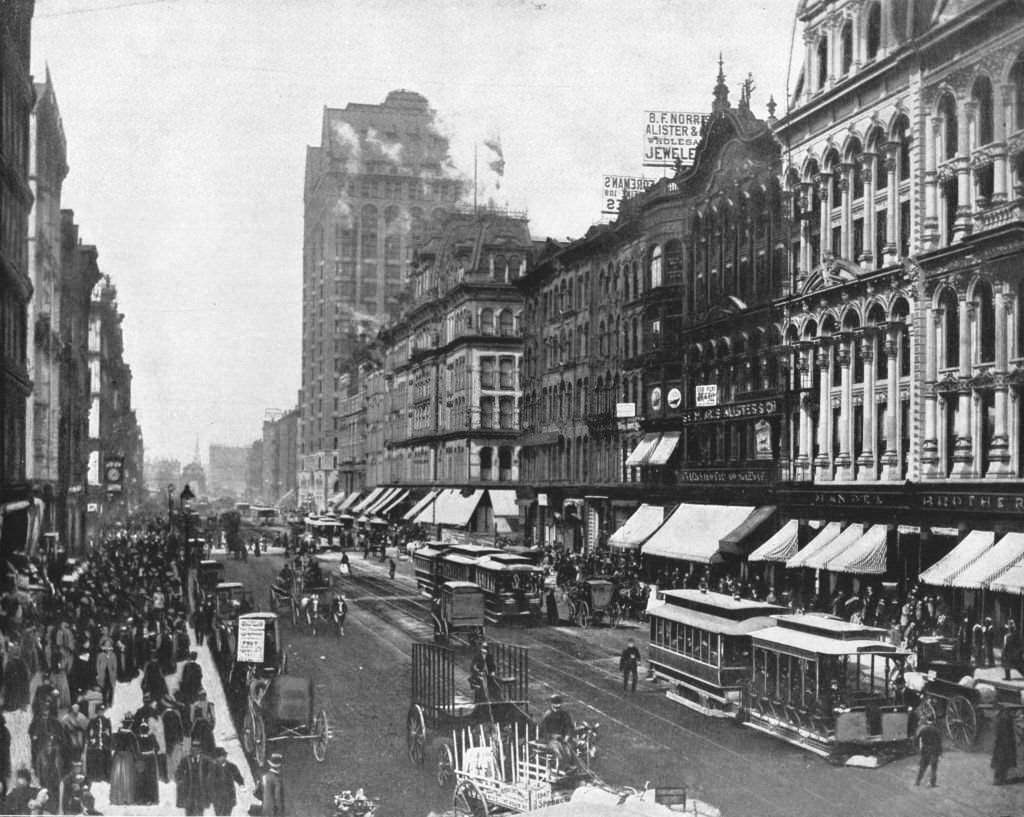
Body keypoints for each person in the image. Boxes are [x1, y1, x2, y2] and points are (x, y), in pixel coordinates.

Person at [539, 694, 577, 771]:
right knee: (558, 749)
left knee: (569, 748)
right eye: (555, 707)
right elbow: (542, 731)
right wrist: (552, 736)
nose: (557, 709)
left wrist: (567, 736)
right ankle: (562, 768)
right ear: (551, 705)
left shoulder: (565, 714)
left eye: (558, 707)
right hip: (550, 740)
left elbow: (569, 727)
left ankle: (570, 766)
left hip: (563, 739)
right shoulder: (547, 715)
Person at [175, 740, 213, 817]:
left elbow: (212, 771)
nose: (194, 751)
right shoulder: (185, 760)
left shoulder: (207, 760)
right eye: (193, 749)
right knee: (189, 810)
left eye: (197, 749)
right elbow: (179, 771)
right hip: (189, 789)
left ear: (200, 750)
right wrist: (179, 780)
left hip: (201, 788)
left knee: (200, 809)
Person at [210, 747, 243, 816]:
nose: (223, 758)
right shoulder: (212, 768)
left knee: (228, 812)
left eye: (224, 756)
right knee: (219, 813)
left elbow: (237, 775)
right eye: (221, 756)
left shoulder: (231, 766)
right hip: (217, 796)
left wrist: (241, 784)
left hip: (229, 795)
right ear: (216, 758)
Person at [991, 705, 1017, 785]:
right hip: (1004, 742)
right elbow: (1005, 733)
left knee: (1001, 759)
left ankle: (1000, 778)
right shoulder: (1005, 718)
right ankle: (999, 779)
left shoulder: (1001, 717)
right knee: (1003, 759)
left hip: (1002, 742)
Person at [915, 714, 942, 787]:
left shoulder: (923, 730)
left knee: (922, 767)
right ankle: (932, 783)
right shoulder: (936, 730)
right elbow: (939, 742)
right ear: (933, 721)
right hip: (934, 751)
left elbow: (917, 739)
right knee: (933, 768)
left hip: (925, 750)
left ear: (927, 721)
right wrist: (940, 752)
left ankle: (917, 781)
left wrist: (917, 748)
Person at [256, 752, 285, 817]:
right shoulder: (277, 779)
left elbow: (259, 790)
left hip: (265, 807)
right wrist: (280, 811)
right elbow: (278, 796)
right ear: (279, 767)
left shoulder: (264, 776)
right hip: (274, 811)